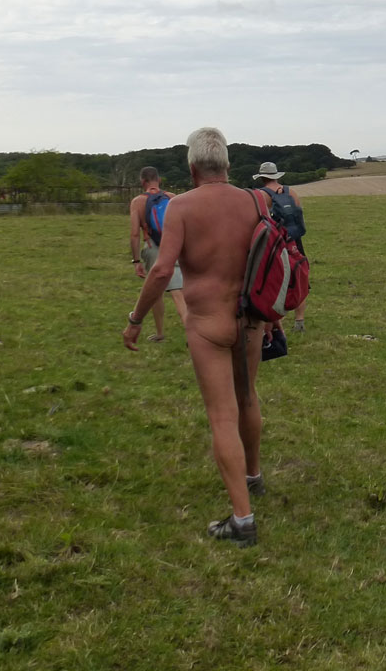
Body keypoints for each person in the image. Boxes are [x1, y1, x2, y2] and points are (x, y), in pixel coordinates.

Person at [122, 128, 265, 547]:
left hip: (207, 322)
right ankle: (253, 475)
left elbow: (163, 271)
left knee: (222, 416)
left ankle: (242, 520)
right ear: (227, 165)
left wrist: (136, 318)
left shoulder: (180, 206)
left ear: (191, 169)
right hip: (251, 318)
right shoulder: (257, 201)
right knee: (248, 398)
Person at [127, 166, 188, 341]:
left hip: (152, 247)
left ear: (142, 182)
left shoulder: (138, 202)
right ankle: (183, 333)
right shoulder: (172, 198)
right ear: (159, 180)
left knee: (157, 291)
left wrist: (136, 261)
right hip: (174, 245)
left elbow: (134, 234)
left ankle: (165, 333)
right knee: (178, 290)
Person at [251, 161, 307, 340]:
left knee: (275, 281)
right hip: (295, 240)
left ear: (262, 177)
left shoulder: (261, 195)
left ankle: (273, 322)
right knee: (298, 277)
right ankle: (299, 320)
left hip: (276, 242)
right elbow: (299, 214)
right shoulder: (291, 192)